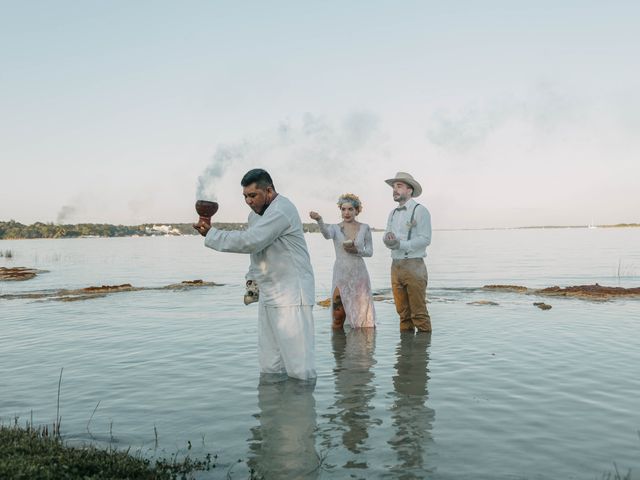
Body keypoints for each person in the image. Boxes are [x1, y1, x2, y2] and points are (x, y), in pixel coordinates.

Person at [194, 168, 316, 381]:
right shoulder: (254, 216)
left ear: (268, 191)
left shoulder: (282, 210)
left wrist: (212, 233)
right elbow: (256, 251)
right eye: (245, 197)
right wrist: (251, 281)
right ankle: (271, 413)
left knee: (299, 369)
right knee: (269, 366)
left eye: (252, 195)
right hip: (269, 295)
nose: (248, 201)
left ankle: (301, 412)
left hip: (292, 297)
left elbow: (251, 240)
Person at [309, 193, 376, 329]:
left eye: (350, 209)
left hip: (359, 273)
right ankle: (338, 349)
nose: (346, 212)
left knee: (362, 315)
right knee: (338, 315)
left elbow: (369, 252)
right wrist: (319, 220)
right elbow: (327, 235)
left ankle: (363, 348)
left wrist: (357, 251)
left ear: (357, 210)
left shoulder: (365, 228)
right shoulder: (335, 228)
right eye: (343, 209)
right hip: (341, 273)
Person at [383, 172, 432, 332]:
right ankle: (405, 356)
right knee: (403, 314)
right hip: (395, 266)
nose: (394, 190)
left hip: (414, 265)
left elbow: (425, 239)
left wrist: (400, 244)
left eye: (399, 186)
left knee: (419, 314)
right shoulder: (392, 213)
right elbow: (387, 236)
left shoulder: (420, 210)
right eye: (393, 187)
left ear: (410, 190)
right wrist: (387, 240)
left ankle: (422, 354)